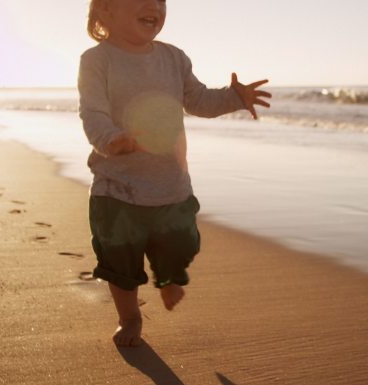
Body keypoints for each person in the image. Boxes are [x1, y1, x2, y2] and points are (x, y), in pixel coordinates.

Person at [78, 0, 271, 347]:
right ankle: (130, 317)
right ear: (106, 10)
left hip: (171, 185)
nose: (154, 6)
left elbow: (198, 100)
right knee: (118, 259)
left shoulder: (174, 58)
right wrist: (112, 139)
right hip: (115, 187)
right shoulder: (96, 61)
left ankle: (169, 276)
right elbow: (92, 112)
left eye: (161, 1)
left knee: (181, 244)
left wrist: (233, 98)